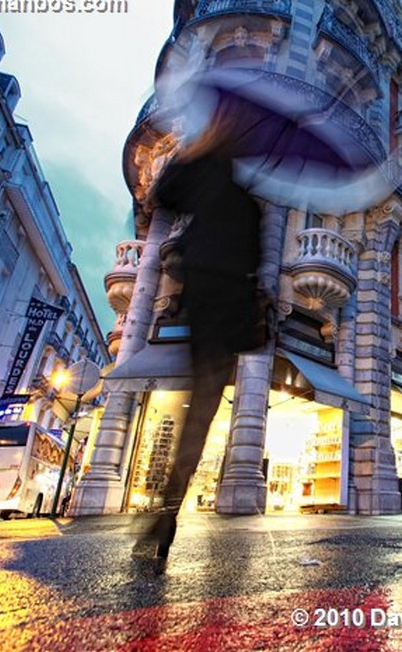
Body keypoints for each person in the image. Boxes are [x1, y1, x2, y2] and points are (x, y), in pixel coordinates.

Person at [132, 125, 265, 560]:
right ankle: (169, 507)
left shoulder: (204, 183)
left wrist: (192, 153)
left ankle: (167, 510)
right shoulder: (248, 205)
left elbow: (163, 195)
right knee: (202, 411)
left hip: (204, 301)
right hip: (228, 311)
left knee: (199, 407)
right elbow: (256, 264)